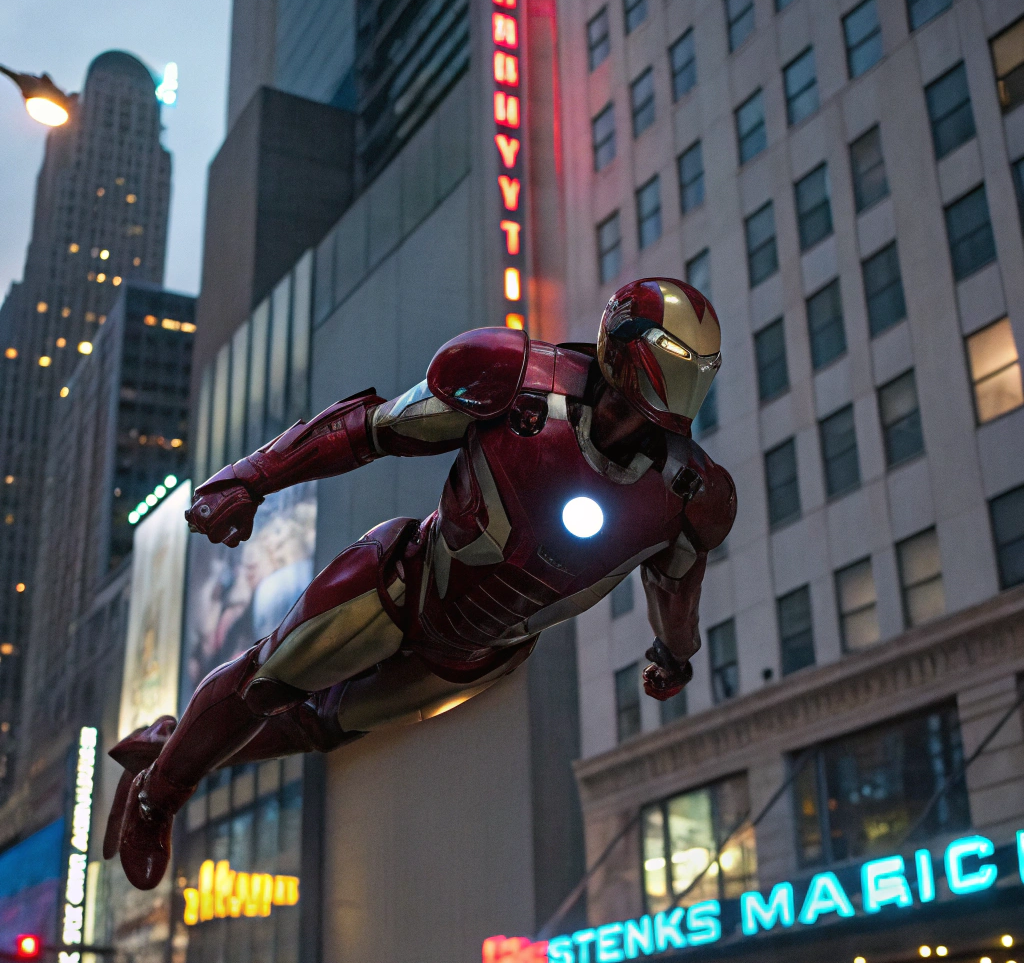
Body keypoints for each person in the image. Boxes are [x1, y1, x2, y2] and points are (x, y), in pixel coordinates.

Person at [103, 281, 734, 892]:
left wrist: (675, 653)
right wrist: (251, 479)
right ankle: (159, 796)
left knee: (319, 726)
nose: (635, 429)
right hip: (404, 582)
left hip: (479, 654)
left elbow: (676, 592)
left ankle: (176, 743)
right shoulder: (520, 385)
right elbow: (370, 430)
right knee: (267, 679)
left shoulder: (686, 495)